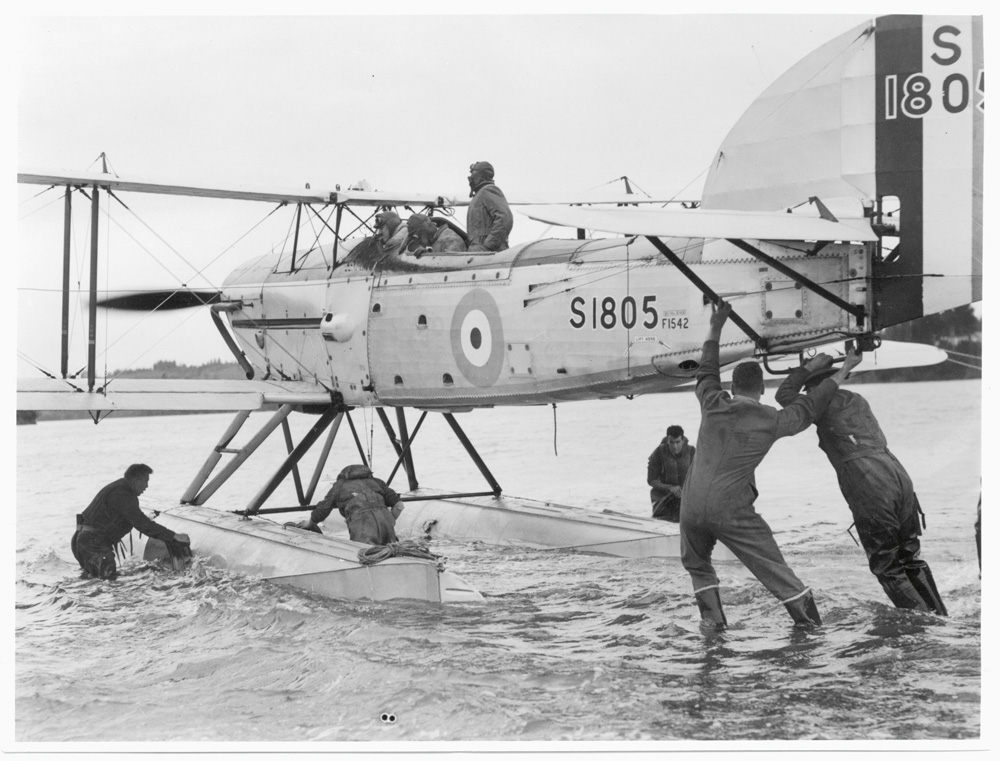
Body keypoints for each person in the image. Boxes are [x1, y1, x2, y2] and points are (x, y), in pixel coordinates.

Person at [680, 301, 861, 630]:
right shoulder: (772, 420)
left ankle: (713, 631)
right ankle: (812, 635)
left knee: (698, 566)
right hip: (730, 510)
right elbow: (809, 405)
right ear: (762, 390)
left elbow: (706, 367)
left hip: (690, 506)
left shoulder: (712, 401)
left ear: (732, 388)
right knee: (778, 574)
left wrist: (717, 325)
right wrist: (842, 367)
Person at [776, 352, 948, 615]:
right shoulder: (856, 399)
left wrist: (808, 367)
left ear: (813, 387)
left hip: (870, 484)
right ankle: (941, 618)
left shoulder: (818, 403)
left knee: (887, 566)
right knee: (910, 558)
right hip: (898, 476)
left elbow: (783, 395)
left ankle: (924, 625)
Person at [71, 464, 191, 580]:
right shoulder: (123, 494)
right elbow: (142, 524)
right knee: (108, 582)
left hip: (83, 540)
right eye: (145, 481)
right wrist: (173, 536)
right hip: (93, 544)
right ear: (135, 480)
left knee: (94, 580)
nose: (147, 486)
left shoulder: (118, 488)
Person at [293, 464, 404, 545]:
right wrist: (389, 521)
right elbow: (399, 506)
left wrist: (310, 522)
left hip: (362, 524)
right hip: (386, 522)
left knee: (366, 556)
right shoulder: (378, 482)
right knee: (391, 551)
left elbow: (324, 508)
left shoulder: (339, 485)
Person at [647, 425, 695, 523]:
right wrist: (670, 487)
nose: (674, 446)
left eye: (678, 442)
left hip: (686, 497)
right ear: (667, 440)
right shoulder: (659, 452)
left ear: (683, 440)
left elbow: (701, 477)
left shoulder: (692, 451)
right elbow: (651, 480)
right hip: (663, 498)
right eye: (671, 442)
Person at [466, 161, 513, 252]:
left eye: (473, 173)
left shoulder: (488, 190)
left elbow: (505, 218)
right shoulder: (480, 194)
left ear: (481, 175)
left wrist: (488, 245)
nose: (471, 177)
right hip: (479, 252)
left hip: (488, 253)